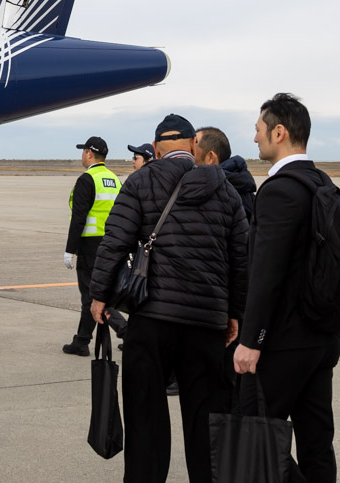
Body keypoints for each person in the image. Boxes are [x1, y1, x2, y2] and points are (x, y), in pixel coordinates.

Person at [89, 113, 249, 483]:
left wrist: (99, 296)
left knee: (146, 419)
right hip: (206, 323)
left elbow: (114, 242)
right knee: (207, 422)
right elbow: (242, 260)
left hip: (153, 318)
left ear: (157, 147)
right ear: (194, 145)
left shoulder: (141, 181)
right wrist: (234, 314)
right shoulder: (225, 190)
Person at [233, 93, 340, 483]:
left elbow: (267, 273)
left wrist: (252, 340)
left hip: (283, 341)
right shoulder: (321, 182)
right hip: (321, 338)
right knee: (316, 442)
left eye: (259, 130)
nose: (255, 138)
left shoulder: (280, 189)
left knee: (253, 439)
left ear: (279, 132)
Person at [62, 136, 120, 356]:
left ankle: (126, 330)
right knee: (97, 293)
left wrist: (70, 249)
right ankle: (81, 340)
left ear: (88, 153)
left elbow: (79, 217)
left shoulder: (87, 179)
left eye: (83, 151)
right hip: (112, 244)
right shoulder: (114, 179)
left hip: (91, 246)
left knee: (91, 295)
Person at [194, 125, 257, 221]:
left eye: (192, 151)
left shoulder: (220, 198)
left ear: (210, 158)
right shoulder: (244, 192)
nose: (188, 156)